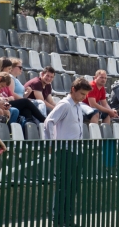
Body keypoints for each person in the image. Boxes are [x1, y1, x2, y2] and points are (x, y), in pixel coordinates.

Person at [44, 77, 92, 225]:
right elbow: (49, 121)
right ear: (73, 90)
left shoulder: (78, 106)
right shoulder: (64, 104)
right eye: (82, 94)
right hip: (65, 150)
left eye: (85, 94)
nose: (84, 97)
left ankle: (68, 217)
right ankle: (57, 217)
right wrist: (50, 143)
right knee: (63, 186)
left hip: (77, 150)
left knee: (73, 187)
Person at [0, 58, 45, 125]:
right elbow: (12, 94)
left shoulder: (15, 79)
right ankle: (43, 120)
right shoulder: (10, 78)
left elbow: (13, 95)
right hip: (7, 102)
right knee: (36, 102)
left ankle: (30, 127)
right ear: (12, 67)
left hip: (12, 101)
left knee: (27, 110)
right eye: (20, 67)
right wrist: (24, 99)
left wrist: (27, 93)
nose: (21, 69)